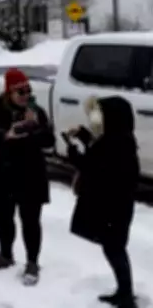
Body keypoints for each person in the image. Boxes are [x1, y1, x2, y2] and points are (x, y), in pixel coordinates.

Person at [65, 96, 140, 308]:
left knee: (114, 249)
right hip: (117, 207)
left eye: (102, 114)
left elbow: (93, 166)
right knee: (115, 248)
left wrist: (73, 154)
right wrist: (82, 135)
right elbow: (98, 151)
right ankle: (124, 291)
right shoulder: (120, 138)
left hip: (113, 208)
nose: (98, 119)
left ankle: (126, 294)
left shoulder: (116, 143)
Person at [0, 67, 54, 286]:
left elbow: (49, 141)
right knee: (4, 217)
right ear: (8, 93)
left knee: (30, 220)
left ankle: (32, 262)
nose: (25, 96)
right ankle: (6, 254)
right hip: (3, 174)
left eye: (27, 91)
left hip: (31, 175)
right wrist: (6, 135)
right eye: (20, 92)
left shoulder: (37, 111)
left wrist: (35, 129)